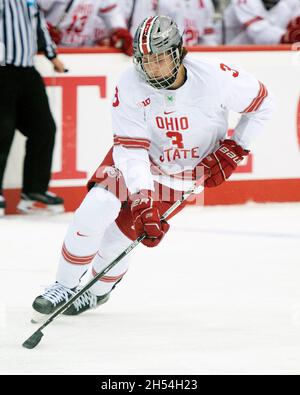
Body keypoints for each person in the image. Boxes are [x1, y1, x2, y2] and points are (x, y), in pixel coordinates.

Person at [31, 15, 274, 320]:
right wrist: (142, 198)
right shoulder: (130, 83)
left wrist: (237, 147)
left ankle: (96, 293)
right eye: (145, 60)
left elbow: (265, 104)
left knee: (119, 238)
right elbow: (131, 148)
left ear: (179, 53)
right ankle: (63, 285)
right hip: (137, 160)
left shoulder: (216, 77)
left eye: (160, 58)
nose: (152, 67)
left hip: (183, 174)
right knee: (97, 207)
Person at [0, 0, 66, 216]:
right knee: (2, 131)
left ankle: (34, 190)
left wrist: (52, 55)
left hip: (27, 71)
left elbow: (39, 26)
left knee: (44, 128)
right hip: (2, 69)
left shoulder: (28, 1)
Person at [39, 0, 133, 55]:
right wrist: (42, 29)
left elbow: (111, 12)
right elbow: (35, 8)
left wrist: (120, 31)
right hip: (51, 49)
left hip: (83, 49)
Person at [223, 0, 300, 45]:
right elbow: (260, 34)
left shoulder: (294, 2)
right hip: (233, 54)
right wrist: (288, 37)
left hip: (275, 55)